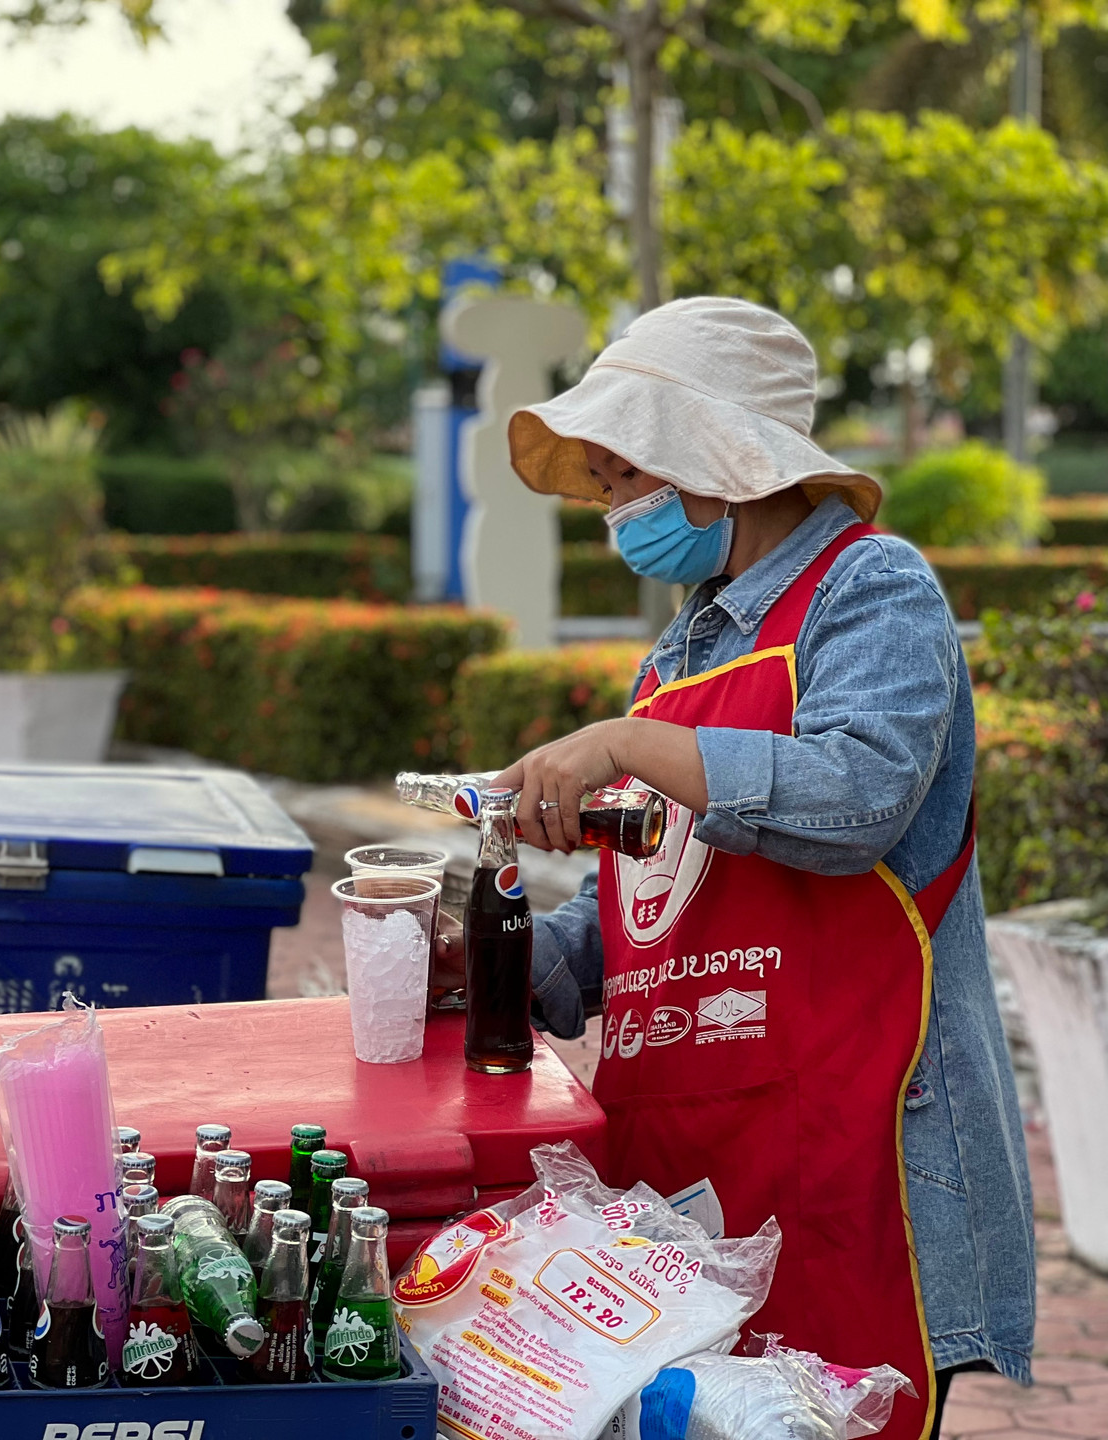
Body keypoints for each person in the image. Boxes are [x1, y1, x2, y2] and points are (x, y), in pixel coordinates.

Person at [494, 297, 1033, 1440]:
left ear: (715, 459)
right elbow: (642, 914)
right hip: (686, 1153)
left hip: (845, 1151)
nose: (613, 508)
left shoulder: (871, 587)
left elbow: (858, 798)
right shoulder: (678, 650)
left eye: (623, 476)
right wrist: (488, 952)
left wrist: (630, 745)